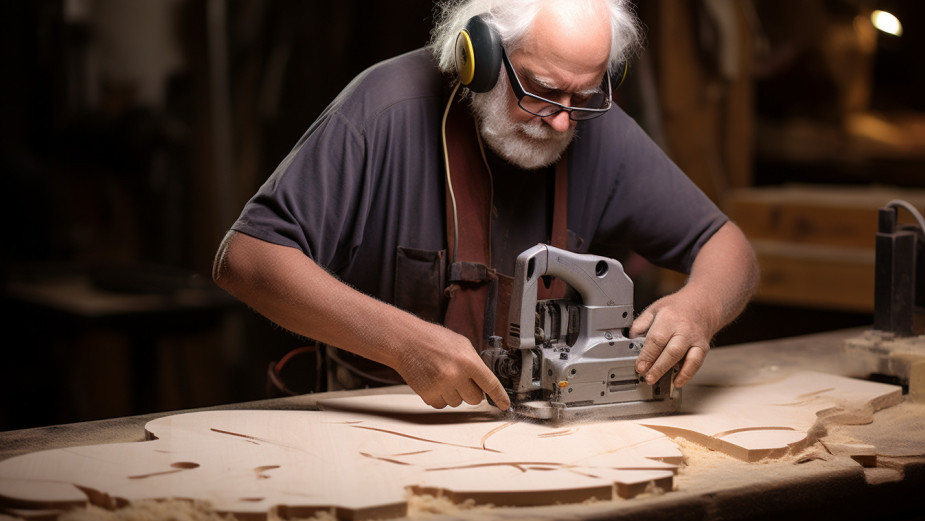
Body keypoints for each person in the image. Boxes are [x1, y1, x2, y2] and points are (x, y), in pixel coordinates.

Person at [213, 0, 759, 412]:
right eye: (542, 92)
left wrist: (700, 307)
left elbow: (728, 247)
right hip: (375, 430)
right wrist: (402, 342)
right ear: (482, 56)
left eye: (584, 96)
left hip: (533, 444)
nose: (564, 121)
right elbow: (246, 258)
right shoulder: (382, 110)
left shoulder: (597, 130)